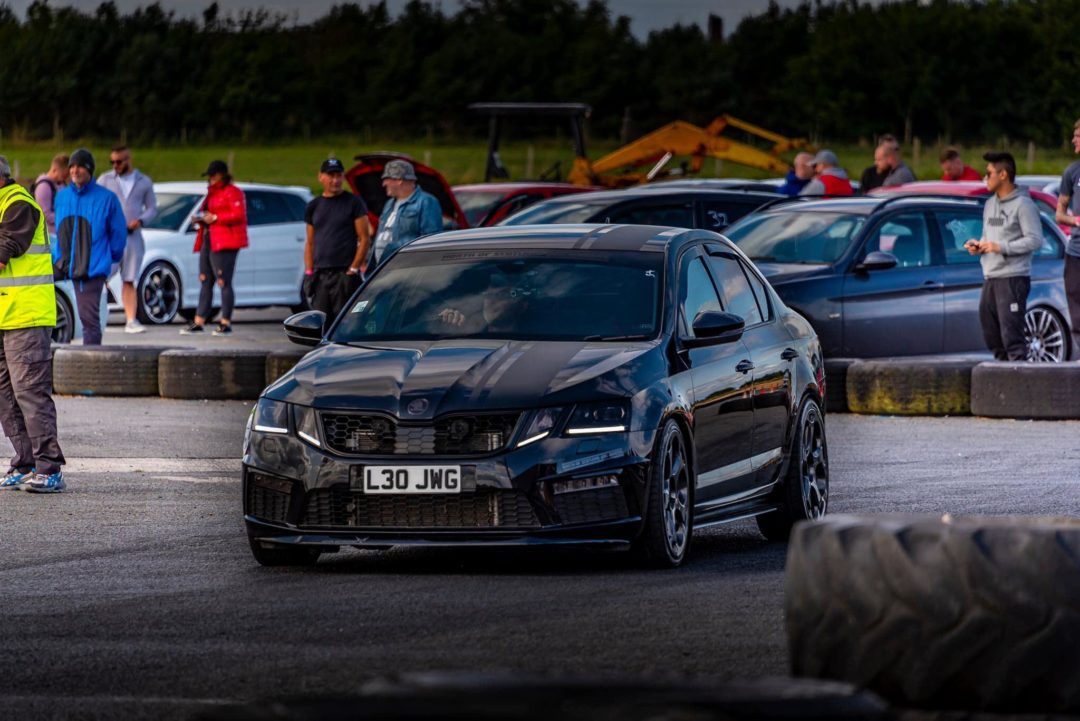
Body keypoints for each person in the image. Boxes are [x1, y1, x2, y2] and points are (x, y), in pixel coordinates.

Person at [0, 155, 66, 493]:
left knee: (30, 393)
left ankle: (49, 468)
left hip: (27, 317)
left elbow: (4, 250)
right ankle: (24, 463)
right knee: (6, 395)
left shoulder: (18, 204)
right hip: (5, 318)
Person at [963, 151, 1042, 361]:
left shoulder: (1023, 205)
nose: (985, 178)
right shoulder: (990, 205)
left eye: (989, 173)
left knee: (1012, 338)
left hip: (1013, 278)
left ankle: (1020, 384)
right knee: (992, 337)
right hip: (991, 277)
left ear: (1003, 175)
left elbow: (1035, 240)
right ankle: (1002, 382)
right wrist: (978, 245)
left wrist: (1000, 246)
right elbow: (988, 236)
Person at [53, 148, 126, 346]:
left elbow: (119, 235)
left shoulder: (107, 198)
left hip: (91, 269)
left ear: (90, 170)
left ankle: (92, 365)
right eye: (72, 167)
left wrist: (105, 260)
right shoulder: (62, 197)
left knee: (89, 320)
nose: (75, 171)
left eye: (80, 167)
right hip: (62, 265)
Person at [181, 160, 247, 336]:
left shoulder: (233, 192)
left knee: (223, 281)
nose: (210, 179)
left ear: (222, 175)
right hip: (208, 239)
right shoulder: (211, 194)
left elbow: (238, 214)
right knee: (205, 279)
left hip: (225, 241)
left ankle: (226, 322)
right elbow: (209, 213)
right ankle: (199, 320)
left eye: (213, 175)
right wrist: (201, 218)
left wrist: (216, 217)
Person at [98, 144, 158, 334]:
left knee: (129, 279)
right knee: (101, 276)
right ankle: (97, 317)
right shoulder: (105, 179)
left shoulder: (143, 181)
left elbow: (152, 209)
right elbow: (97, 204)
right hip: (110, 237)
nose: (115, 165)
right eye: (112, 162)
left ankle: (131, 319)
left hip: (133, 237)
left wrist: (140, 220)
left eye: (119, 161)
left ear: (128, 160)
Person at [304, 157, 371, 320]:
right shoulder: (314, 205)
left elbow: (364, 238)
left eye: (338, 175)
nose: (335, 180)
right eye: (331, 176)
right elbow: (310, 242)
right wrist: (309, 271)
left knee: (344, 320)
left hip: (344, 273)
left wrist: (353, 269)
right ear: (321, 177)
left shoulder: (354, 203)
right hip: (320, 275)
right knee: (320, 322)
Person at [371, 159, 442, 266]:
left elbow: (431, 240)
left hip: (405, 268)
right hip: (382, 269)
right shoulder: (389, 204)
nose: (383, 184)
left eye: (387, 179)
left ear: (399, 180)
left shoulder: (426, 201)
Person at [1056, 119, 1080, 357]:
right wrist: (1075, 221)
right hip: (1075, 252)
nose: (1074, 139)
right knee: (1076, 311)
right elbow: (1059, 214)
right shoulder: (1072, 172)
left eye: (1078, 135)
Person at [32, 154, 68, 237]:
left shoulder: (60, 184)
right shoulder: (44, 186)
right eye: (64, 175)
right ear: (55, 170)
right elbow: (45, 214)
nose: (65, 178)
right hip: (50, 236)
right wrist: (67, 217)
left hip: (61, 232)